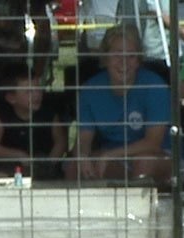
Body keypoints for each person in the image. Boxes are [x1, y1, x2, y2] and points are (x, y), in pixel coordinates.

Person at [64, 23, 172, 185]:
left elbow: (153, 143)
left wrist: (111, 155)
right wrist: (83, 156)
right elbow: (84, 139)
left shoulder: (154, 86)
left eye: (131, 56)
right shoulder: (90, 89)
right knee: (74, 166)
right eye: (117, 55)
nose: (124, 62)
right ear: (105, 58)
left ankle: (138, 209)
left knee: (144, 163)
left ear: (138, 60)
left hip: (160, 155)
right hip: (114, 155)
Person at [0, 63, 68, 180]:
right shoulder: (0, 117)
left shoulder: (49, 114)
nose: (36, 95)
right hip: (11, 169)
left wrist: (49, 162)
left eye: (38, 89)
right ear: (11, 98)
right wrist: (18, 155)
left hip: (44, 169)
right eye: (29, 92)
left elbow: (61, 142)